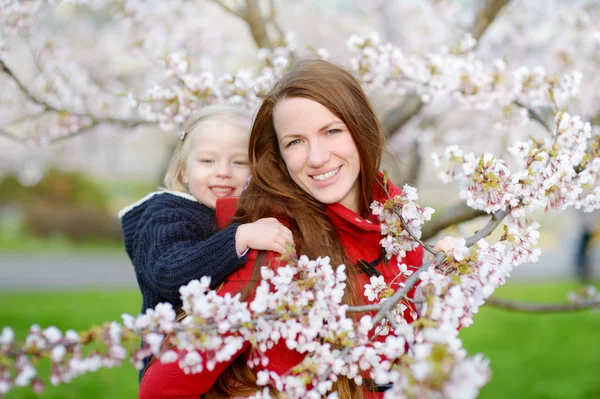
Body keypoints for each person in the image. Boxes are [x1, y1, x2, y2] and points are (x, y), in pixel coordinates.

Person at [138, 60, 427, 399]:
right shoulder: (276, 252)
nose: (317, 157)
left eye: (332, 131)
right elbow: (161, 390)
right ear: (280, 156)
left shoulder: (401, 224)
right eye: (295, 142)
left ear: (360, 128)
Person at [119, 105, 294, 377]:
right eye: (208, 161)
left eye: (239, 162)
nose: (223, 171)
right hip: (176, 366)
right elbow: (171, 273)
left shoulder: (242, 213)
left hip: (230, 366)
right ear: (184, 171)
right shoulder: (166, 215)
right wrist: (240, 237)